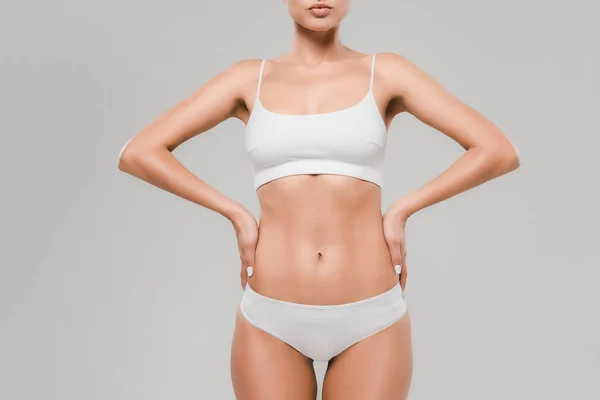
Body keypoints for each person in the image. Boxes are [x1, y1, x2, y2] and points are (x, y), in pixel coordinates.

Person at [117, 0, 520, 398]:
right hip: (270, 318)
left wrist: (403, 207)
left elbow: (496, 150)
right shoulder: (248, 79)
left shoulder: (386, 72)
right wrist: (235, 213)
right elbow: (139, 152)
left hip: (371, 316)